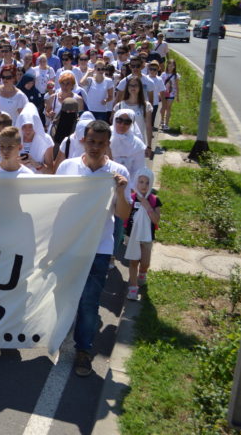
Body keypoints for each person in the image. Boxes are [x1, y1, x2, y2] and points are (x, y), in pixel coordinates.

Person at [56, 120, 131, 377]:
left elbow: (123, 214)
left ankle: (83, 350)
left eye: (100, 143)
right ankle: (57, 337)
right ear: (83, 141)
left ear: (108, 144)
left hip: (98, 249)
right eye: (91, 142)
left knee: (88, 302)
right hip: (68, 245)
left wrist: (121, 191)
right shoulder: (67, 167)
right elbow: (55, 202)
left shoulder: (117, 173)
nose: (95, 147)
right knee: (63, 296)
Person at [124, 167, 162, 301]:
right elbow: (125, 215)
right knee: (133, 262)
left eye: (147, 182)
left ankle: (143, 273)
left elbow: (156, 220)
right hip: (132, 236)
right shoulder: (131, 199)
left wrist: (147, 206)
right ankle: (133, 288)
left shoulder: (154, 200)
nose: (144, 186)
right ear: (136, 182)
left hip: (147, 237)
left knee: (145, 263)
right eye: (141, 182)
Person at [113, 77, 153, 155]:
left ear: (140, 88)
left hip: (139, 144)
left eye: (136, 85)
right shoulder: (120, 105)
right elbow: (114, 127)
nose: (133, 87)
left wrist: (149, 146)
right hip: (122, 145)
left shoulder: (146, 106)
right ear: (127, 88)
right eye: (131, 85)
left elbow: (148, 127)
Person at [16, 103, 54, 174]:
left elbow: (50, 171)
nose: (27, 130)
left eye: (30, 126)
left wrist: (36, 164)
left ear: (36, 125)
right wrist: (16, 164)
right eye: (24, 126)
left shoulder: (46, 139)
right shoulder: (14, 140)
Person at [109, 108, 147, 179]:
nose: (122, 125)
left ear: (132, 124)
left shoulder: (137, 145)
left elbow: (139, 170)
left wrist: (129, 184)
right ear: (114, 120)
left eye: (127, 122)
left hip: (127, 181)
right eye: (119, 120)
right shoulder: (105, 137)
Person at [160, 59, 180, 131]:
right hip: (163, 93)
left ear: (174, 67)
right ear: (167, 66)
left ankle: (166, 124)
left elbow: (177, 86)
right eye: (169, 65)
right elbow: (160, 84)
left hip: (171, 94)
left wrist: (177, 96)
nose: (170, 67)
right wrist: (159, 93)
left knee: (168, 108)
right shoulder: (163, 74)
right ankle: (162, 120)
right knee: (163, 107)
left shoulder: (176, 75)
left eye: (172, 66)